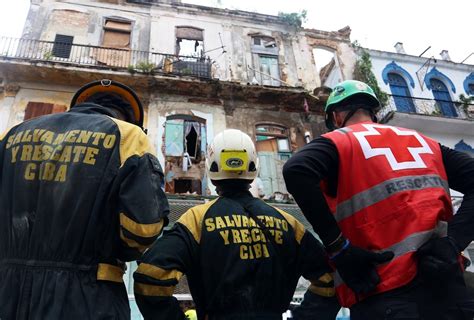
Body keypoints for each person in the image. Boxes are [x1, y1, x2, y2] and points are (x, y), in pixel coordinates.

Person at [283, 79, 474, 319]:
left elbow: (296, 170)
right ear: (372, 112)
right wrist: (453, 242)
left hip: (385, 293)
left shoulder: (341, 140)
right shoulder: (423, 141)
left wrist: (339, 247)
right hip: (449, 289)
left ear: (337, 117)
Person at [0, 79, 169, 319]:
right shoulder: (128, 136)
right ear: (128, 118)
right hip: (89, 296)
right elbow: (143, 229)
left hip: (7, 291)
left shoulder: (10, 135)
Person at [133, 129, 339, 320]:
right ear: (253, 168)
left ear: (212, 171)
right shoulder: (288, 223)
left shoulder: (197, 220)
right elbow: (331, 281)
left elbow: (150, 278)